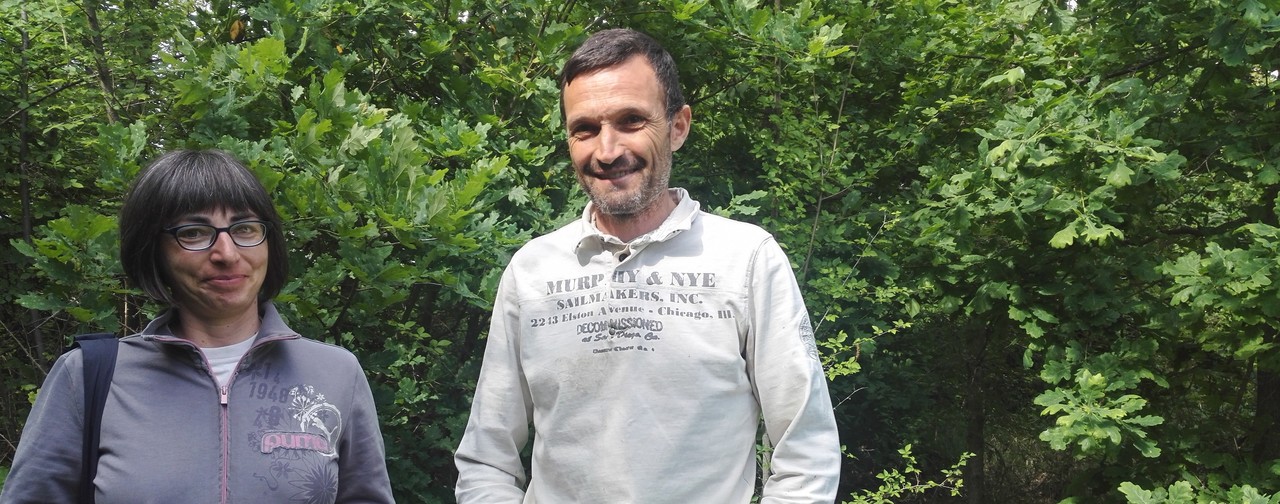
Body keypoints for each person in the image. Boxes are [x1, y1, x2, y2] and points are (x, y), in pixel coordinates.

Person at [454, 28, 841, 503]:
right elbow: (487, 458)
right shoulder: (532, 271)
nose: (607, 151)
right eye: (585, 129)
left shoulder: (746, 260)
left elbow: (807, 453)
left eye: (631, 120)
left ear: (678, 127)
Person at [0, 150, 394, 503]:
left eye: (245, 228)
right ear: (153, 251)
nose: (227, 253)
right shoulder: (89, 377)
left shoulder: (336, 373)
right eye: (193, 233)